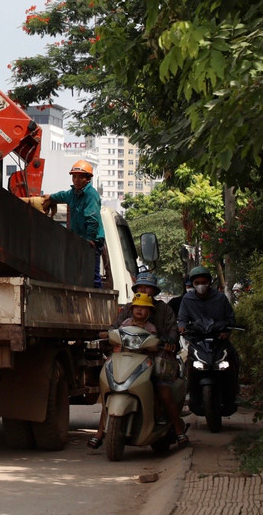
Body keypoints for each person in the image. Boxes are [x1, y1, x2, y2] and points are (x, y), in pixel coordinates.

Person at [88, 275, 188, 449]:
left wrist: (169, 340)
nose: (143, 290)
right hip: (126, 356)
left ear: (154, 292)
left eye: (147, 288)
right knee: (107, 387)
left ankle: (178, 429)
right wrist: (107, 334)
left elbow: (173, 330)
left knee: (163, 391)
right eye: (140, 288)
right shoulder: (127, 310)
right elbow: (114, 329)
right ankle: (99, 431)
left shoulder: (163, 310)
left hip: (156, 357)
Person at [42, 159, 105, 287]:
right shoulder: (73, 193)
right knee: (76, 274)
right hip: (79, 240)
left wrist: (90, 239)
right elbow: (62, 195)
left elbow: (92, 219)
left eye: (80, 177)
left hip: (91, 242)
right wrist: (50, 197)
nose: (76, 180)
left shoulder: (90, 195)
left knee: (92, 276)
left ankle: (95, 300)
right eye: (74, 176)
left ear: (88, 179)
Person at [178, 266, 237, 336]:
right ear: (193, 284)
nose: (201, 286)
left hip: (218, 337)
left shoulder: (220, 297)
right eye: (197, 283)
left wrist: (226, 332)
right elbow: (182, 319)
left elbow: (230, 318)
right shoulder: (187, 299)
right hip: (197, 338)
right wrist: (182, 327)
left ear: (209, 282)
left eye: (204, 282)